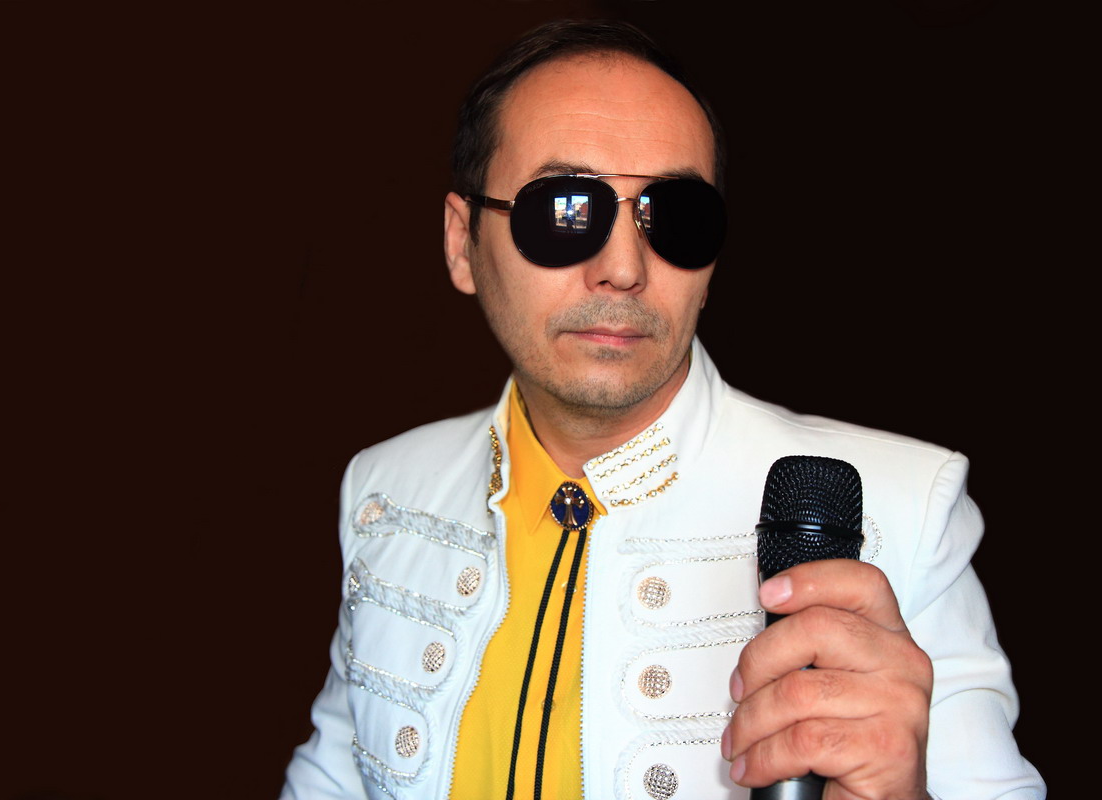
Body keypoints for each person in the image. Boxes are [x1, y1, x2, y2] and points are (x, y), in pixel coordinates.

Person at [281, 19, 1044, 800]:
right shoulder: (387, 489)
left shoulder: (903, 510)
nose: (623, 268)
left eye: (674, 216)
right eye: (565, 209)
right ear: (460, 241)